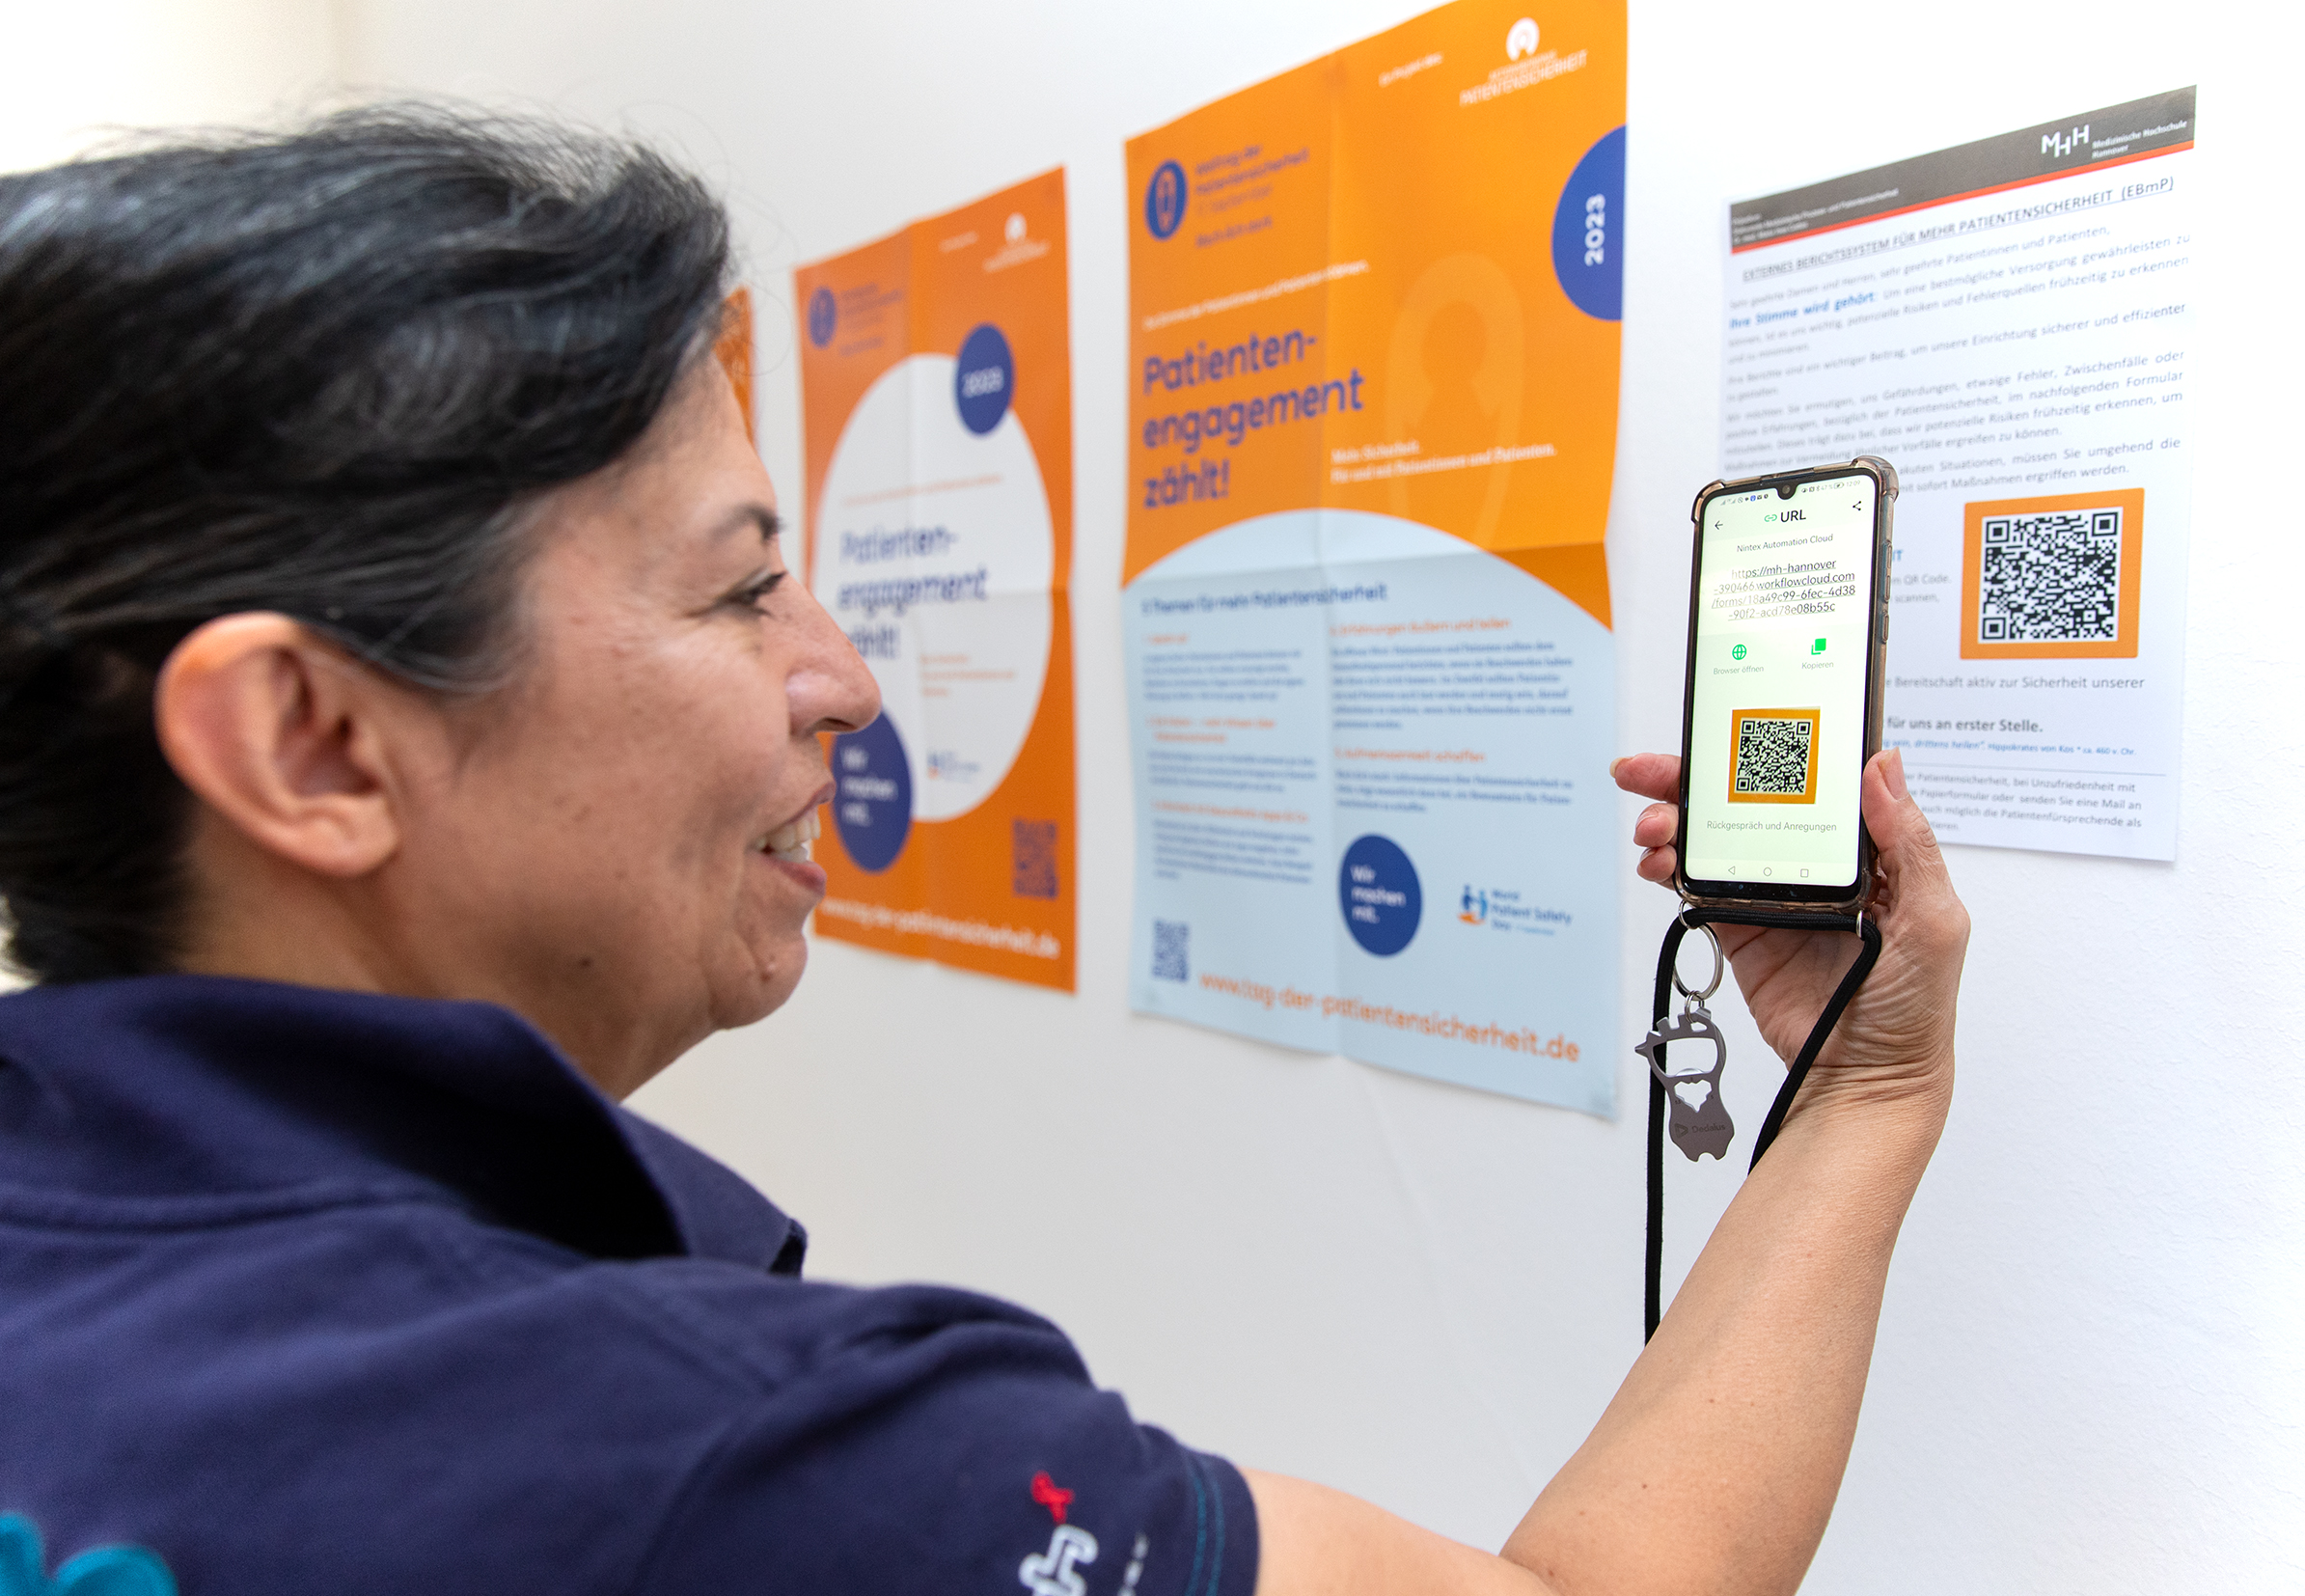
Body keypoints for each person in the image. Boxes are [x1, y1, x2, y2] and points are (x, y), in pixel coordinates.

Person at [0, 110, 1968, 1596]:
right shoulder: (727, 1459)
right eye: (744, 586)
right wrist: (1869, 1087)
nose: (842, 679)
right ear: (311, 738)